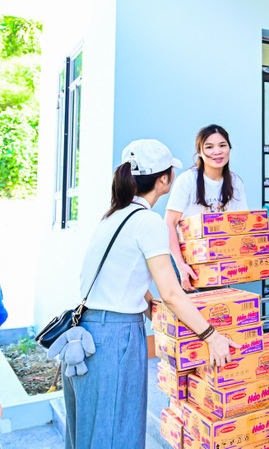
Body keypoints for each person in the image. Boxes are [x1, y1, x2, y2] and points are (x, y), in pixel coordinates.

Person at [63, 139, 239, 449]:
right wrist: (211, 336)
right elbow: (171, 291)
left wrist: (146, 301)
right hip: (115, 337)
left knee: (89, 435)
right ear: (164, 179)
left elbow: (116, 271)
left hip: (85, 332)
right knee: (117, 433)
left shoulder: (113, 216)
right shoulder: (147, 222)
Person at [165, 125, 248, 291]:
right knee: (190, 313)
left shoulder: (235, 182)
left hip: (219, 260)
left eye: (222, 145)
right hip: (186, 260)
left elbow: (242, 224)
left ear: (229, 149)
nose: (217, 152)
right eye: (209, 147)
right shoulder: (187, 180)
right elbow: (168, 224)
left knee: (216, 313)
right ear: (200, 152)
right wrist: (181, 266)